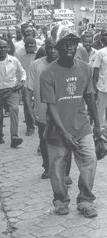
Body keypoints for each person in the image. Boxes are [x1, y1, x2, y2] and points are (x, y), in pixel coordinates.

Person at [40, 29, 101, 217]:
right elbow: (51, 106)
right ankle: (61, 201)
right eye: (65, 43)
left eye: (73, 43)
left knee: (90, 161)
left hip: (81, 127)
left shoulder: (85, 68)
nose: (70, 47)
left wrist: (98, 125)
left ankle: (85, 200)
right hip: (57, 130)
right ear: (57, 47)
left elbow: (90, 97)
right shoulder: (47, 73)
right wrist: (64, 133)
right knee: (57, 167)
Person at [27, 38, 59, 179]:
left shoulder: (65, 64)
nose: (52, 51)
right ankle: (47, 167)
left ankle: (63, 171)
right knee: (44, 139)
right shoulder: (35, 66)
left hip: (61, 111)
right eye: (49, 48)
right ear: (45, 49)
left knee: (62, 141)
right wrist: (30, 111)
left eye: (54, 48)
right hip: (42, 111)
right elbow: (28, 91)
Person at [0, 39, 25, 148]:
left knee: (14, 109)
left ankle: (14, 137)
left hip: (12, 91)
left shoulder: (13, 60)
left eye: (4, 47)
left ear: (8, 48)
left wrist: (22, 82)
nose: (2, 49)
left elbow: (22, 72)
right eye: (0, 47)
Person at [15, 37, 37, 136]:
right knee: (27, 106)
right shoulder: (18, 53)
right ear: (25, 47)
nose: (32, 49)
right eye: (29, 48)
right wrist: (19, 83)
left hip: (38, 81)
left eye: (33, 47)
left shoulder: (39, 51)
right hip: (26, 83)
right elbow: (17, 69)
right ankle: (30, 127)